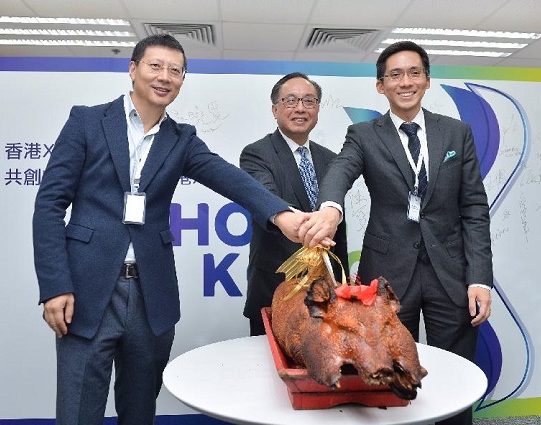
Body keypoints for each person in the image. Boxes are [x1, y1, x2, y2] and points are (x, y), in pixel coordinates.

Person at [32, 34, 309, 425]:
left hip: (151, 296)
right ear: (133, 69)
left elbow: (230, 179)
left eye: (175, 71)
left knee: (141, 409)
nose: (165, 77)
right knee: (79, 412)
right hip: (86, 290)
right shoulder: (87, 121)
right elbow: (49, 205)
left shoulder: (182, 140)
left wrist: (283, 216)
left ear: (182, 80)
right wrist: (56, 284)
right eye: (155, 66)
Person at [298, 41, 493, 425]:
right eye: (395, 75)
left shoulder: (456, 133)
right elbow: (340, 171)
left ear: (427, 80)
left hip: (450, 275)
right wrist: (331, 208)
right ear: (380, 85)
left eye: (414, 73)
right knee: (384, 373)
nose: (406, 82)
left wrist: (480, 279)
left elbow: (474, 208)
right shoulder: (364, 134)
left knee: (455, 374)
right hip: (387, 275)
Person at [240, 72, 349, 336]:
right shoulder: (256, 154)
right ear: (275, 109)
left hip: (329, 293)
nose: (300, 108)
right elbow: (267, 198)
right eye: (290, 101)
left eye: (309, 101)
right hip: (277, 288)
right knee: (269, 370)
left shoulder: (333, 160)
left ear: (318, 109)